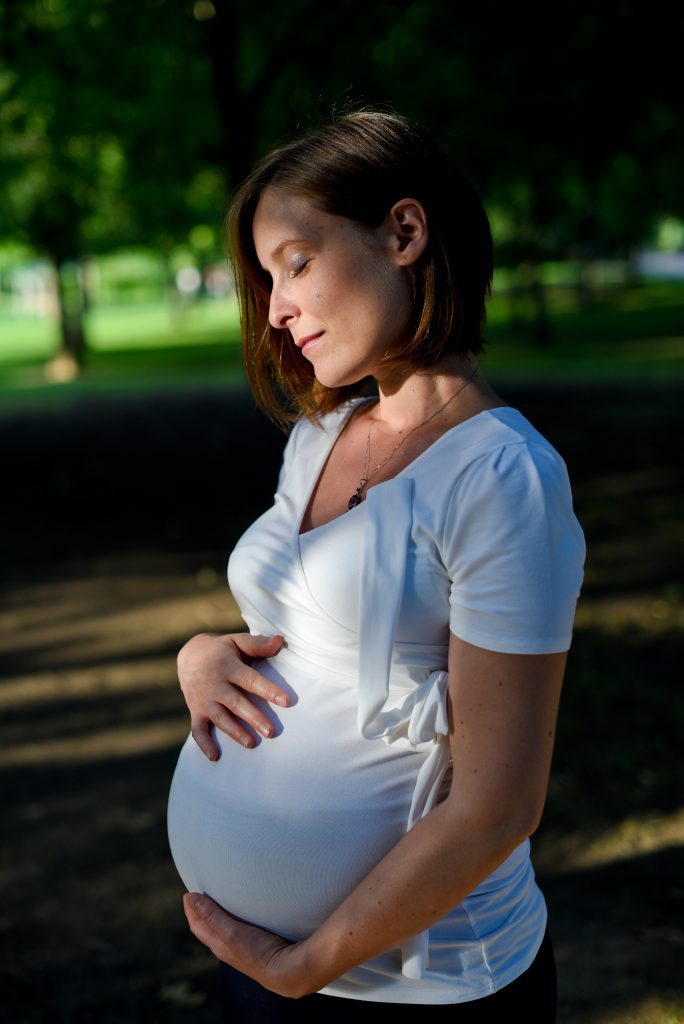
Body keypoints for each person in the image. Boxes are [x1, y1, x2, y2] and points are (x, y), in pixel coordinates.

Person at [166, 110, 585, 1023]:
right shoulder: (321, 436)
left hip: (420, 985)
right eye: (267, 277)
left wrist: (311, 961)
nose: (274, 307)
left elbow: (499, 803)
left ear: (403, 232)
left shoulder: (502, 476)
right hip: (271, 967)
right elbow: (299, 629)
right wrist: (202, 656)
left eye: (297, 262)